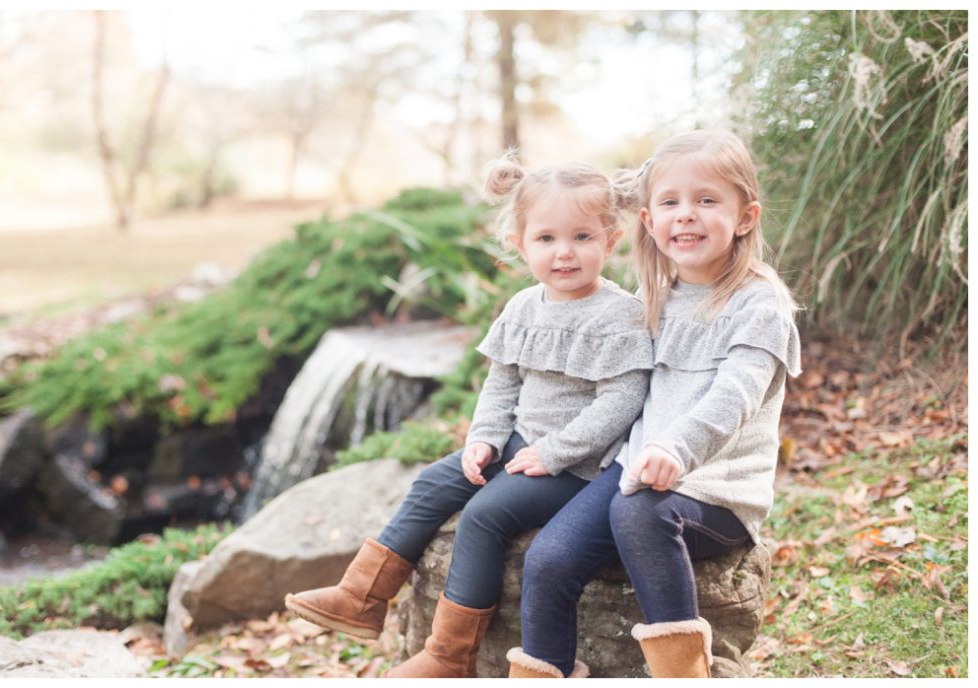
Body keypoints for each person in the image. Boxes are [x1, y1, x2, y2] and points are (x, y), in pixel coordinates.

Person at [283, 155, 654, 678]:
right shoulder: (523, 307)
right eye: (546, 238)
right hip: (517, 443)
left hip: (578, 466)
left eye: (581, 237)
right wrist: (484, 439)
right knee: (433, 482)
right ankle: (361, 596)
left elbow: (621, 401)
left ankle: (448, 656)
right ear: (520, 244)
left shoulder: (620, 316)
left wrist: (553, 453)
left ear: (610, 241)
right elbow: (502, 383)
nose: (564, 252)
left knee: (484, 514)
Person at [506, 130, 802, 679]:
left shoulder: (760, 305)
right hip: (639, 472)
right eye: (670, 202)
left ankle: (685, 674)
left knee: (639, 513)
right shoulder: (655, 296)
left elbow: (734, 396)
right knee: (548, 558)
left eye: (706, 200)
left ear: (745, 217)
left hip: (716, 491)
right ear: (648, 220)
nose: (685, 214)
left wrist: (676, 449)